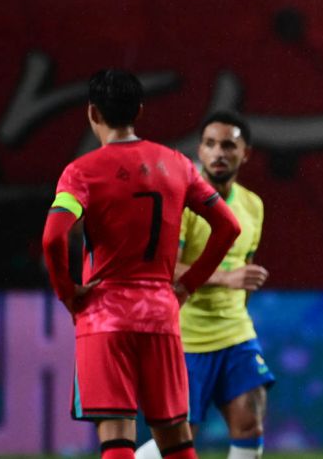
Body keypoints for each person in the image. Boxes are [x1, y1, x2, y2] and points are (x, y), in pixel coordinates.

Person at [42, 69, 241, 459]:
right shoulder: (178, 165)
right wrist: (188, 285)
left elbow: (52, 237)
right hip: (160, 315)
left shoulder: (80, 173)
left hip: (104, 317)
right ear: (139, 111)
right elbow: (228, 227)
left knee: (117, 437)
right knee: (176, 440)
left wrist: (68, 293)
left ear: (93, 113)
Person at [136, 111, 274, 459]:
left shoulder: (253, 205)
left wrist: (239, 293)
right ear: (199, 150)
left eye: (228, 145)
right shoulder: (181, 201)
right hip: (186, 337)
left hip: (235, 333)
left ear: (245, 153)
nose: (218, 153)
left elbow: (245, 267)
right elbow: (165, 268)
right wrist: (226, 278)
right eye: (210, 144)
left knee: (250, 423)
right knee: (179, 438)